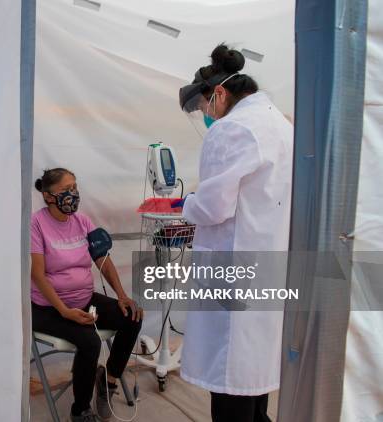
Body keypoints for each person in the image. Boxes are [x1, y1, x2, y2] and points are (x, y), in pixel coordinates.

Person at [176, 44, 293, 422]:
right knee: (252, 381)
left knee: (229, 383)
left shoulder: (230, 130)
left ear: (221, 93)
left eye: (205, 105)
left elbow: (213, 208)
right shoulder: (280, 123)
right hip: (268, 263)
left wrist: (188, 203)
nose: (206, 115)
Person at [31, 168, 143, 422]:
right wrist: (64, 311)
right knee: (90, 341)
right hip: (47, 308)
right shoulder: (36, 224)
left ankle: (108, 382)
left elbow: (102, 259)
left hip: (83, 299)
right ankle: (80, 410)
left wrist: (122, 296)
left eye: (75, 187)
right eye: (66, 190)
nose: (74, 194)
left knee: (132, 316)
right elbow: (37, 275)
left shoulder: (82, 222)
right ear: (49, 196)